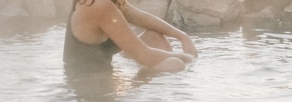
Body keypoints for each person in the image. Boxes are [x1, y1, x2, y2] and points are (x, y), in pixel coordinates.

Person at [64, 0, 198, 74]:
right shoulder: (98, 5)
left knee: (154, 36)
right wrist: (191, 59)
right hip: (90, 93)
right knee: (175, 64)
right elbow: (146, 56)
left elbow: (140, 17)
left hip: (110, 76)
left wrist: (182, 36)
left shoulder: (109, 2)